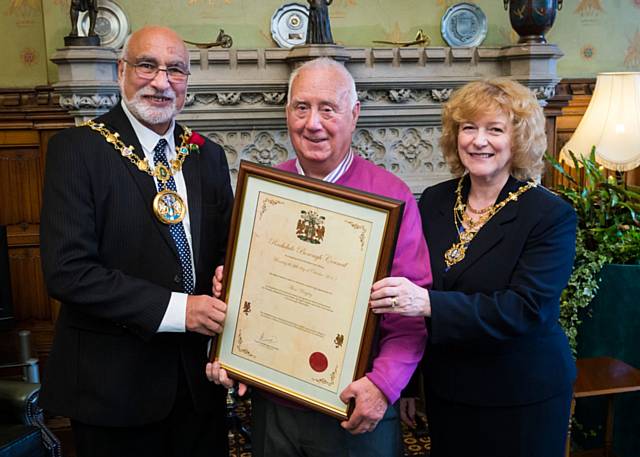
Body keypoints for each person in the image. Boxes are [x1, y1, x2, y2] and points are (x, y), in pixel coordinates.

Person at [207, 57, 432, 457]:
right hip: (273, 405)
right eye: (301, 107)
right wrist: (231, 297)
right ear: (286, 112)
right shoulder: (262, 193)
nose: (313, 123)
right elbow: (243, 290)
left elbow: (408, 317)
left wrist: (383, 385)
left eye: (328, 109)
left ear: (354, 114)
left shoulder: (390, 198)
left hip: (355, 406)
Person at [39, 26, 233, 457]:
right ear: (122, 71)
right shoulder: (76, 150)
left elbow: (226, 252)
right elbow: (68, 272)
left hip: (199, 387)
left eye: (176, 70)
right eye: (147, 65)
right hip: (114, 392)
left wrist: (226, 279)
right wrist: (184, 310)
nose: (161, 82)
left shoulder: (208, 155)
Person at [369, 78, 577, 457]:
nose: (479, 141)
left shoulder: (549, 214)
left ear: (517, 139)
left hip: (521, 394)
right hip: (449, 390)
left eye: (495, 129)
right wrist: (409, 386)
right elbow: (414, 284)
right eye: (469, 128)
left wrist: (429, 303)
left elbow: (526, 309)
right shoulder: (433, 200)